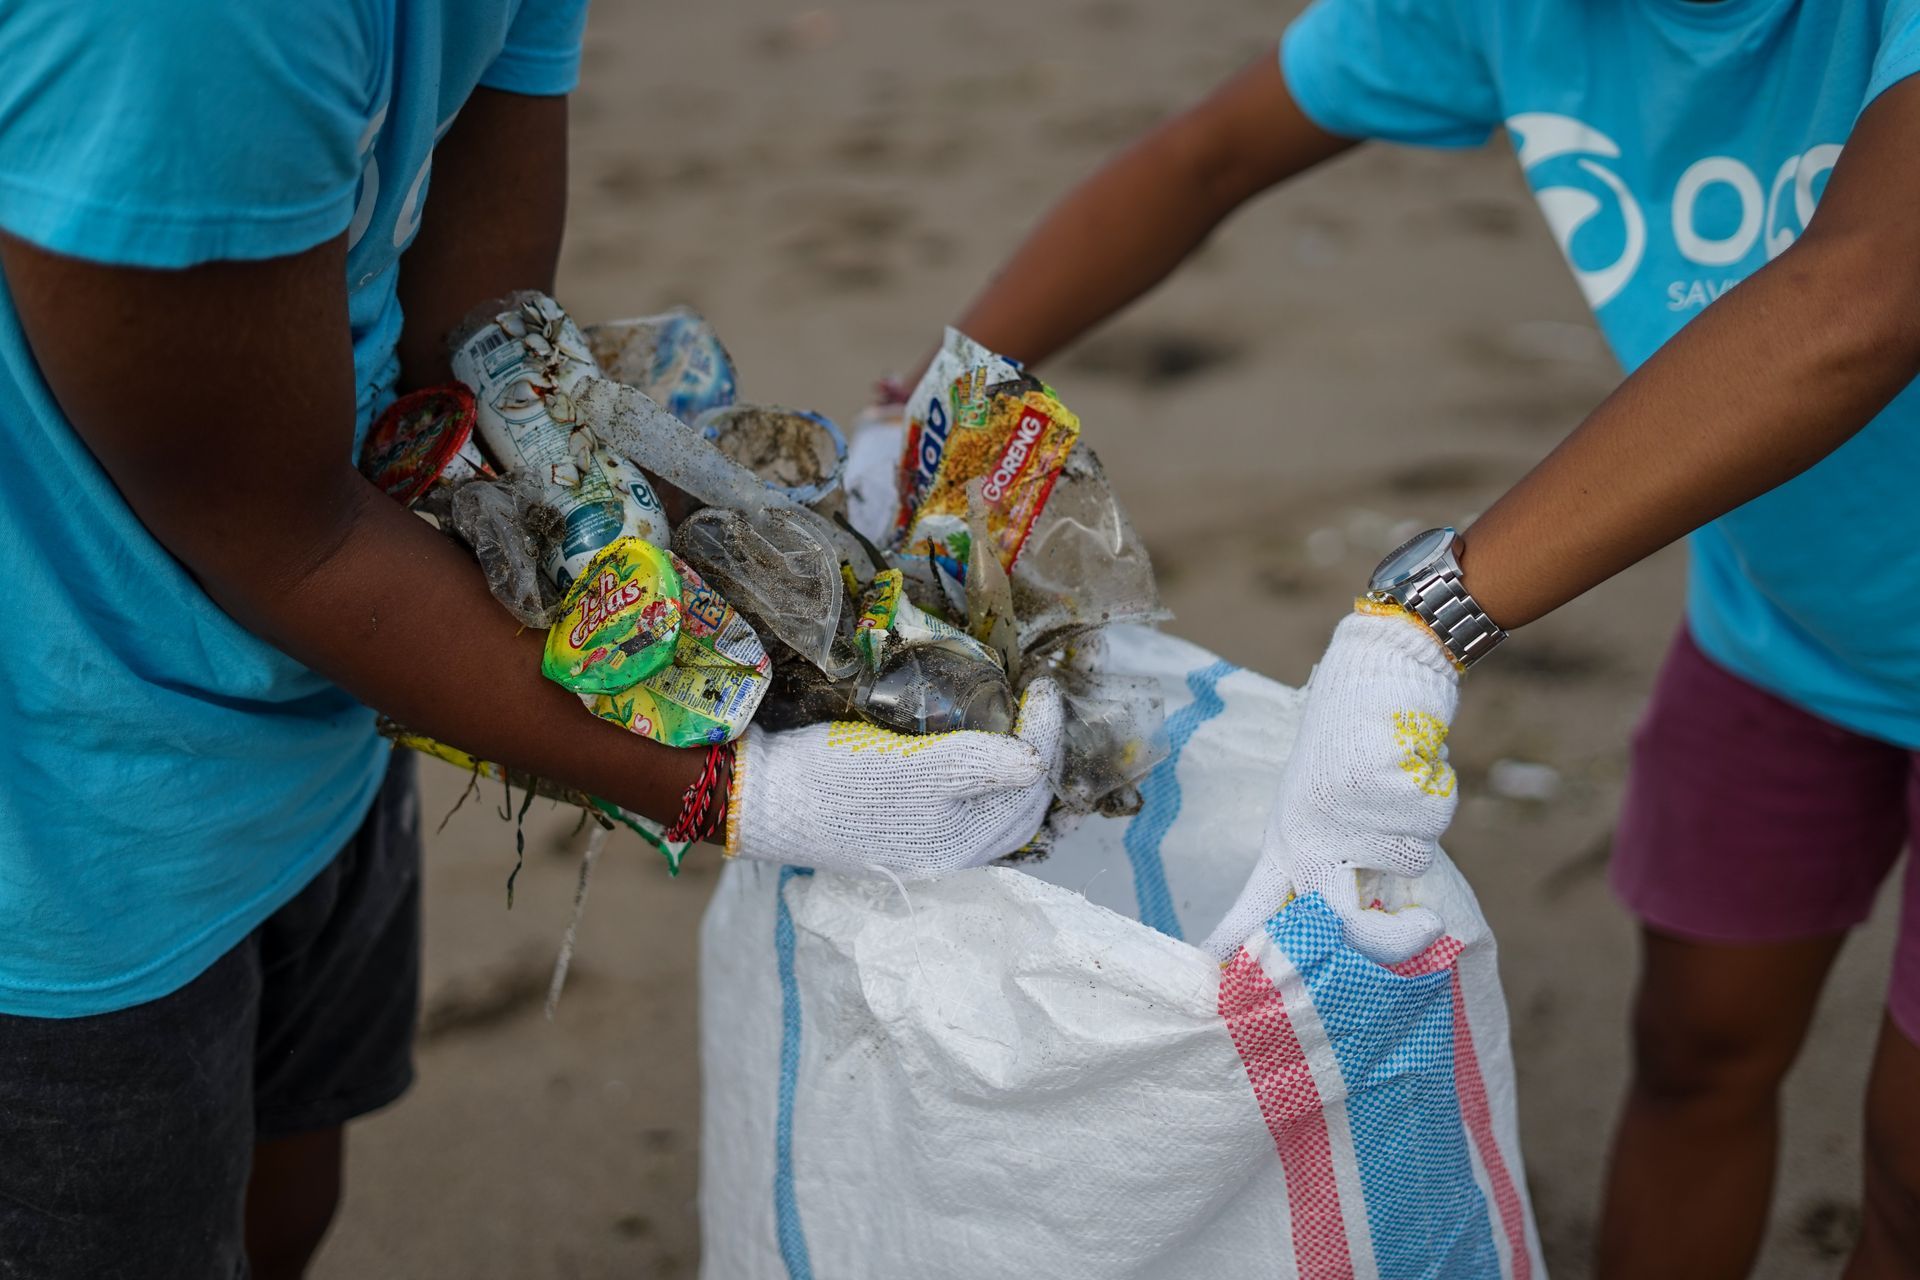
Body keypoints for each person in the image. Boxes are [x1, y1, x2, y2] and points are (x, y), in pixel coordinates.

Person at [0, 3, 1062, 1276]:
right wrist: (745, 787)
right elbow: (286, 537)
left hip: (335, 699)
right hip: (65, 812)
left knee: (286, 1199)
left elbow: (475, 357)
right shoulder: (191, 30)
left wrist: (794, 567)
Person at [922, 1, 1920, 1276]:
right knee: (1694, 1046)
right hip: (1775, 634)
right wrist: (941, 394)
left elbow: (1866, 291)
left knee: (1908, 1160)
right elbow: (1207, 154)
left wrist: (1418, 623)